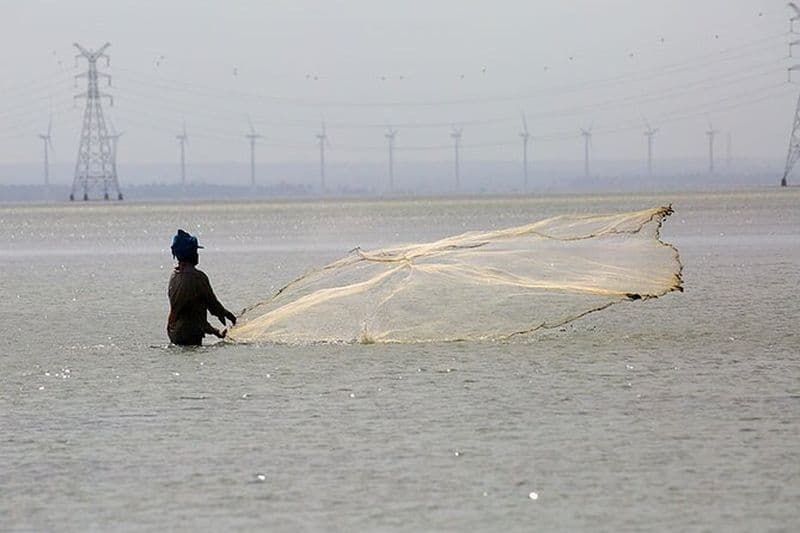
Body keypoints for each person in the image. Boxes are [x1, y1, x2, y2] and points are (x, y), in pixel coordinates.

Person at [166, 229, 237, 346]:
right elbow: (212, 304)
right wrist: (227, 314)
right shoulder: (197, 277)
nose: (197, 255)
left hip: (173, 331)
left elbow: (191, 312)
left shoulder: (174, 275)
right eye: (195, 251)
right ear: (191, 254)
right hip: (190, 335)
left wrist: (215, 331)